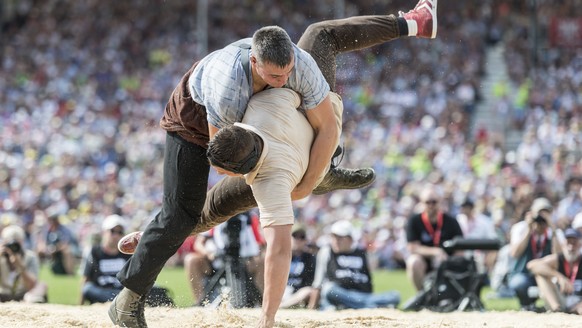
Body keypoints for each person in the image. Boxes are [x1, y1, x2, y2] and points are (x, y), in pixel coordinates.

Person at [109, 1, 438, 327]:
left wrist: (308, 182)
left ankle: (413, 22)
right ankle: (131, 294)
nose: (282, 80)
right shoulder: (229, 93)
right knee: (183, 214)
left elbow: (328, 127)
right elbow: (223, 161)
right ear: (254, 62)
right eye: (273, 75)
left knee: (319, 34)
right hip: (197, 123)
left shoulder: (300, 66)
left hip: (268, 137)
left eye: (286, 73)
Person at [80, 215, 173, 306]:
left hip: (125, 290)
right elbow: (86, 278)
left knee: (156, 289)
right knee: (88, 288)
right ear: (104, 232)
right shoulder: (95, 251)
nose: (116, 235)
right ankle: (126, 301)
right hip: (104, 290)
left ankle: (122, 300)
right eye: (112, 231)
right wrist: (80, 304)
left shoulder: (127, 252)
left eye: (120, 232)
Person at [308, 220, 400, 310]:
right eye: (333, 237)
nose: (336, 241)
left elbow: (369, 281)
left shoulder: (361, 253)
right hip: (340, 294)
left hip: (362, 295)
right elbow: (318, 283)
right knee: (328, 289)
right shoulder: (326, 252)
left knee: (395, 296)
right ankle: (371, 306)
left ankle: (359, 305)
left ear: (350, 239)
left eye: (340, 238)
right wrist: (312, 307)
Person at [184, 212, 265, 307]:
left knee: (262, 261)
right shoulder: (213, 216)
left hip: (245, 261)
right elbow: (198, 244)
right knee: (191, 260)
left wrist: (255, 254)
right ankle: (200, 302)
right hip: (216, 261)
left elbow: (261, 244)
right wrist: (208, 253)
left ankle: (263, 303)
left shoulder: (249, 218)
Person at [405, 185, 464, 292]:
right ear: (421, 203)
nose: (431, 205)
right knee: (413, 261)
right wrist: (436, 252)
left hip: (446, 262)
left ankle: (447, 294)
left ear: (440, 202)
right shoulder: (414, 221)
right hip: (424, 261)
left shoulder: (451, 221)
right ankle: (422, 296)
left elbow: (460, 249)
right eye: (428, 202)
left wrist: (449, 261)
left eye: (434, 202)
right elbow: (413, 247)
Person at [508, 197, 559, 312]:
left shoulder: (553, 231)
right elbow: (514, 253)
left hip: (546, 273)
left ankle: (552, 306)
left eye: (546, 213)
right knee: (519, 283)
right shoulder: (520, 228)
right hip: (523, 273)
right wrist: (528, 229)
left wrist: (552, 228)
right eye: (540, 212)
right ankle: (526, 304)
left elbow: (559, 257)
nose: (542, 217)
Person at [527, 228, 582, 314]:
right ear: (563, 244)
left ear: (580, 245)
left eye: (574, 243)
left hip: (578, 301)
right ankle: (556, 310)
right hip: (560, 298)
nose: (571, 247)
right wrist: (559, 277)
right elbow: (531, 265)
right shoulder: (558, 259)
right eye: (568, 242)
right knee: (540, 275)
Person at [0, 225, 47, 303]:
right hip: (3, 294)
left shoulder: (30, 257)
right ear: (4, 243)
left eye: (16, 244)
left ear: (22, 242)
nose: (12, 247)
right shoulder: (1, 257)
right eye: (10, 244)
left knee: (41, 286)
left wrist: (20, 266)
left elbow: (31, 285)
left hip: (23, 294)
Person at [279, 227, 316, 309]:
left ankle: (281, 306)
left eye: (302, 237)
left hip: (300, 291)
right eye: (295, 237)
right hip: (284, 289)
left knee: (308, 291)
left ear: (305, 241)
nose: (298, 240)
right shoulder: (282, 256)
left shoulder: (310, 258)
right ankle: (284, 305)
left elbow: (312, 281)